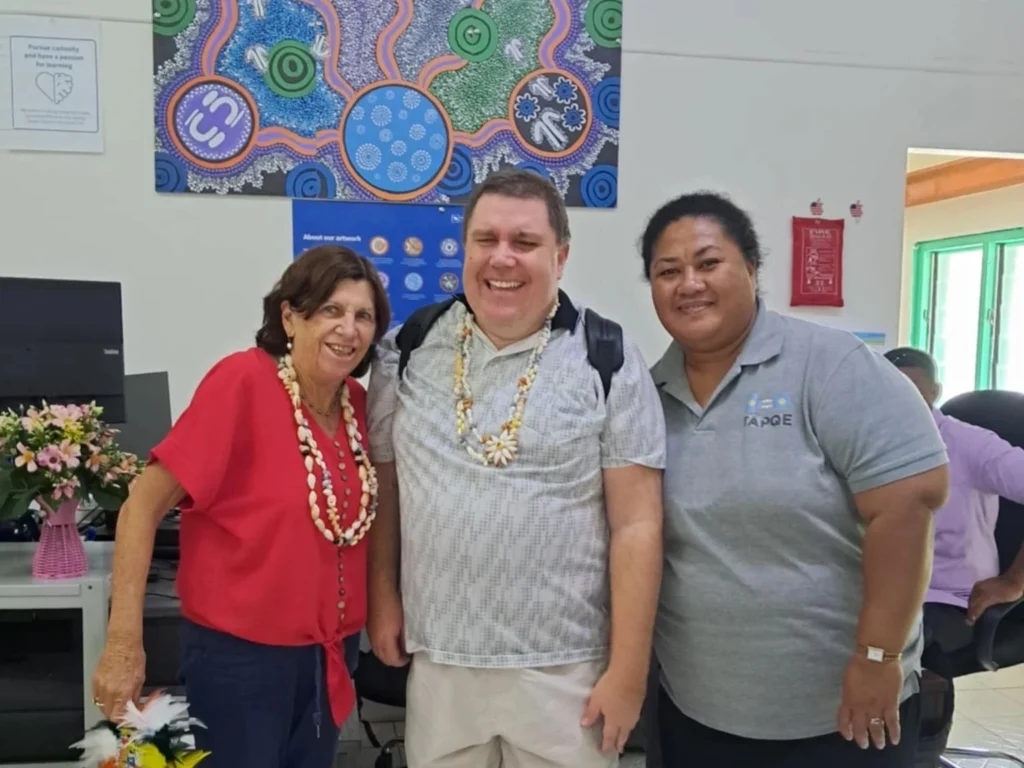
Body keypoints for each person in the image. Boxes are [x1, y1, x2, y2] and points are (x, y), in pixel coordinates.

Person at [366, 169, 666, 768]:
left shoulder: (607, 357)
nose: (502, 259)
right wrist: (383, 600)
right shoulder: (408, 350)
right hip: (442, 659)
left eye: (524, 243)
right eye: (486, 239)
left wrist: (629, 671)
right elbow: (386, 488)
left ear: (560, 256)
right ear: (466, 247)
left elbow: (638, 524)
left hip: (566, 667)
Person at [642, 192, 950, 767]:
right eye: (668, 271)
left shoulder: (829, 365)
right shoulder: (645, 396)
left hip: (843, 717)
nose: (689, 283)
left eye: (708, 263)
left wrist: (878, 658)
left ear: (752, 269)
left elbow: (907, 507)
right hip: (698, 713)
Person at [91, 246, 390, 768]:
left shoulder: (358, 408)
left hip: (329, 658)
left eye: (363, 316)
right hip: (242, 663)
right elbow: (141, 505)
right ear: (290, 317)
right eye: (331, 310)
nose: (349, 329)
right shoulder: (242, 383)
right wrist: (124, 642)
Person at [884, 347, 1024, 657]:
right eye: (888, 391)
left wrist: (1015, 580)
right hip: (876, 589)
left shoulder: (971, 445)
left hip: (949, 597)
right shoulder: (863, 440)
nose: (898, 405)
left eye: (912, 393)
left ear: (934, 392)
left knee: (890, 651)